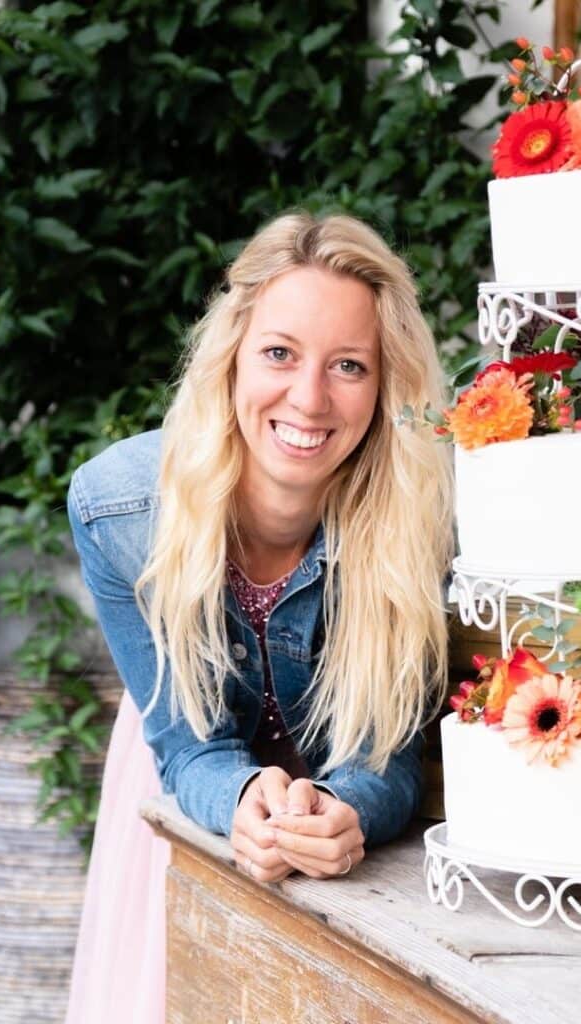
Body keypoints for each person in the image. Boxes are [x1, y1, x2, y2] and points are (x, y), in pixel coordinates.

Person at [63, 212, 453, 1022]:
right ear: (231, 354)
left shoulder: (418, 513)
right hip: (189, 801)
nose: (308, 399)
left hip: (344, 853)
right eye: (280, 353)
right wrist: (242, 799)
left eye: (348, 365)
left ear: (385, 386)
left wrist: (348, 812)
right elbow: (185, 746)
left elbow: (390, 755)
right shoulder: (119, 508)